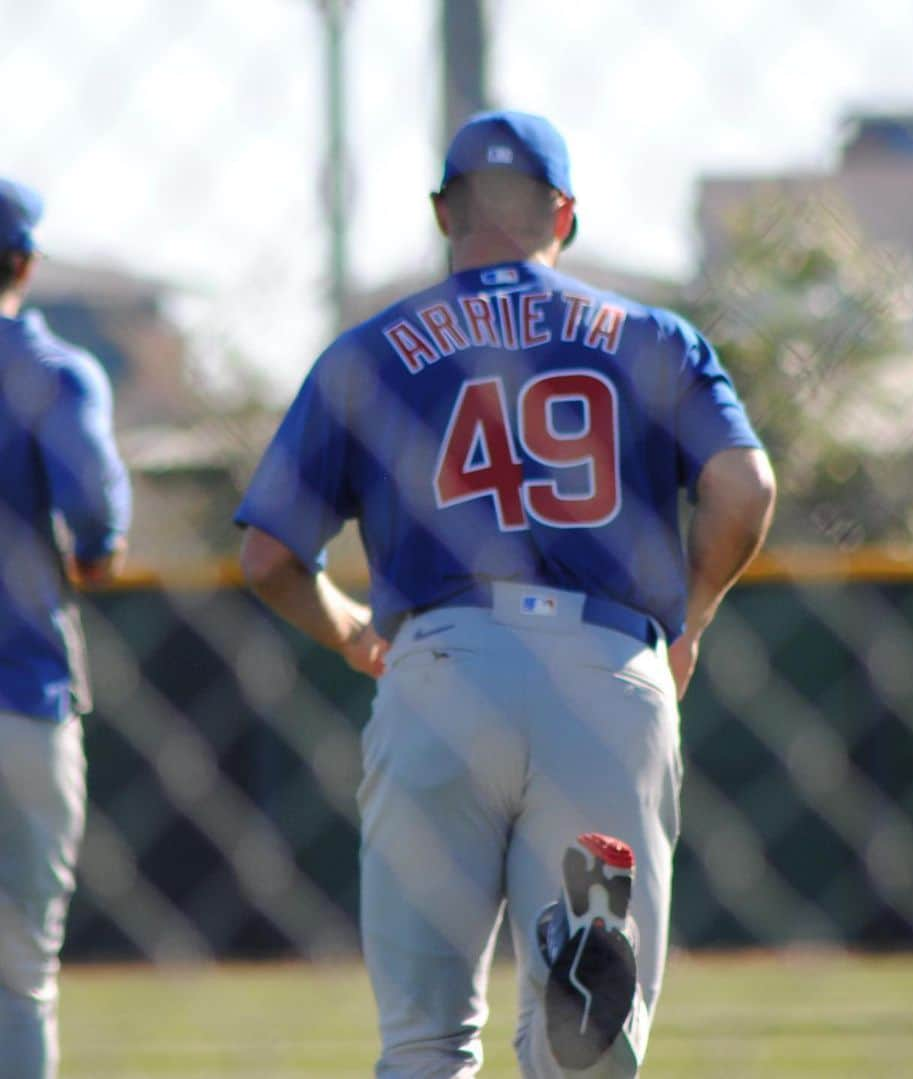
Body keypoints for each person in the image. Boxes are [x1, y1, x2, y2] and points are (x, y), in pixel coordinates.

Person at [237, 110, 774, 1077]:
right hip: (610, 674)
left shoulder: (371, 351)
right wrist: (688, 622)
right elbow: (746, 488)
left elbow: (271, 555)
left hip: (444, 667)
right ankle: (571, 1007)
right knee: (589, 1052)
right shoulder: (652, 336)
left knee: (425, 1042)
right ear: (563, 212)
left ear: (446, 213)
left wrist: (355, 631)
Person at [0, 178, 131, 1079]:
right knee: (20, 976)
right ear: (28, 260)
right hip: (20, 695)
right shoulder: (51, 371)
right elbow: (97, 535)